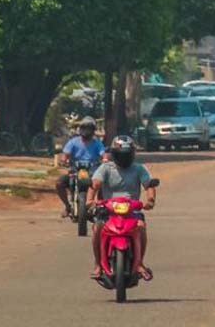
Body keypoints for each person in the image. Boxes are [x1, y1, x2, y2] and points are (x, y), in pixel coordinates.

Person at [87, 135, 155, 281]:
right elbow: (95, 184)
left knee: (141, 226)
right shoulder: (105, 168)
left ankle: (140, 263)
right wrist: (90, 200)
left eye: (127, 155)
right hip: (107, 210)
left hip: (132, 210)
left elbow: (149, 185)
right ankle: (98, 264)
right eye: (120, 155)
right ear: (113, 154)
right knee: (97, 228)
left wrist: (150, 200)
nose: (123, 158)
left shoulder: (139, 168)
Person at [55, 117, 106, 218]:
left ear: (93, 130)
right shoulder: (73, 142)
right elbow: (66, 154)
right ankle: (67, 206)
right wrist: (64, 160)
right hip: (74, 171)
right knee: (59, 183)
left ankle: (102, 207)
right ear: (80, 129)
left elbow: (104, 154)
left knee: (102, 185)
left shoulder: (97, 143)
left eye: (89, 128)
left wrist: (105, 160)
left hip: (92, 172)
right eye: (84, 128)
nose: (86, 131)